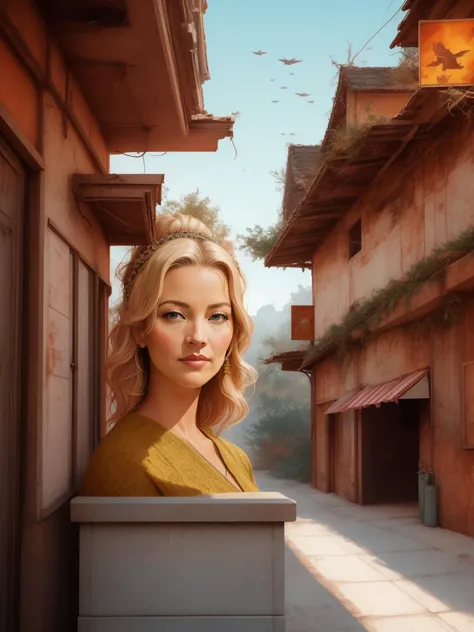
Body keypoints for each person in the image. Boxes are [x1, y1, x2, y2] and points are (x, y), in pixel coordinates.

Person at [81, 213, 259, 496]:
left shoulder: (236, 458)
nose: (198, 337)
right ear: (140, 329)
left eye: (217, 316)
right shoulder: (124, 461)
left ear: (234, 329)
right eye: (174, 314)